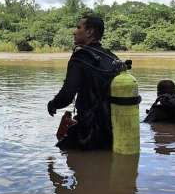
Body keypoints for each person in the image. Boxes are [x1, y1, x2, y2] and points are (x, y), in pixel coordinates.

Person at [47, 15, 126, 150]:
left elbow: (67, 94)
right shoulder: (112, 57)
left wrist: (53, 104)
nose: (74, 31)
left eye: (78, 27)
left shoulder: (80, 57)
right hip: (114, 130)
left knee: (61, 152)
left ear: (89, 32)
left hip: (90, 129)